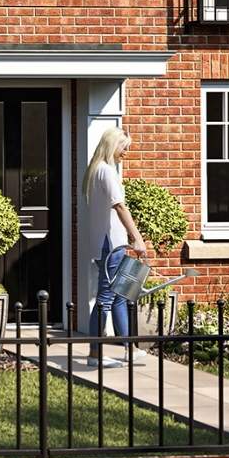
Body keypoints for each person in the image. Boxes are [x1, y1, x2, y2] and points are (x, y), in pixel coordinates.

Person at [84, 126, 148, 367]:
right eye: (125, 147)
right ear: (113, 145)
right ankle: (94, 354)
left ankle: (129, 349)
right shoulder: (106, 172)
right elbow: (120, 207)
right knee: (106, 299)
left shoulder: (97, 171)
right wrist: (137, 238)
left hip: (110, 243)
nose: (127, 152)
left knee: (121, 295)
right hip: (110, 245)